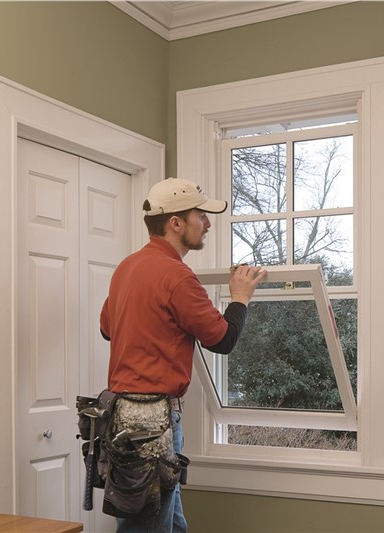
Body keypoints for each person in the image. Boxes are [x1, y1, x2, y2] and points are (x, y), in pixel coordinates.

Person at [99, 177, 266, 532]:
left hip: (123, 416)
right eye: (200, 215)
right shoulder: (177, 275)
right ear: (175, 223)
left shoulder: (126, 268)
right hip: (154, 422)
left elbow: (107, 328)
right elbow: (222, 339)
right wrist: (240, 297)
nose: (207, 223)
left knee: (170, 523)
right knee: (147, 526)